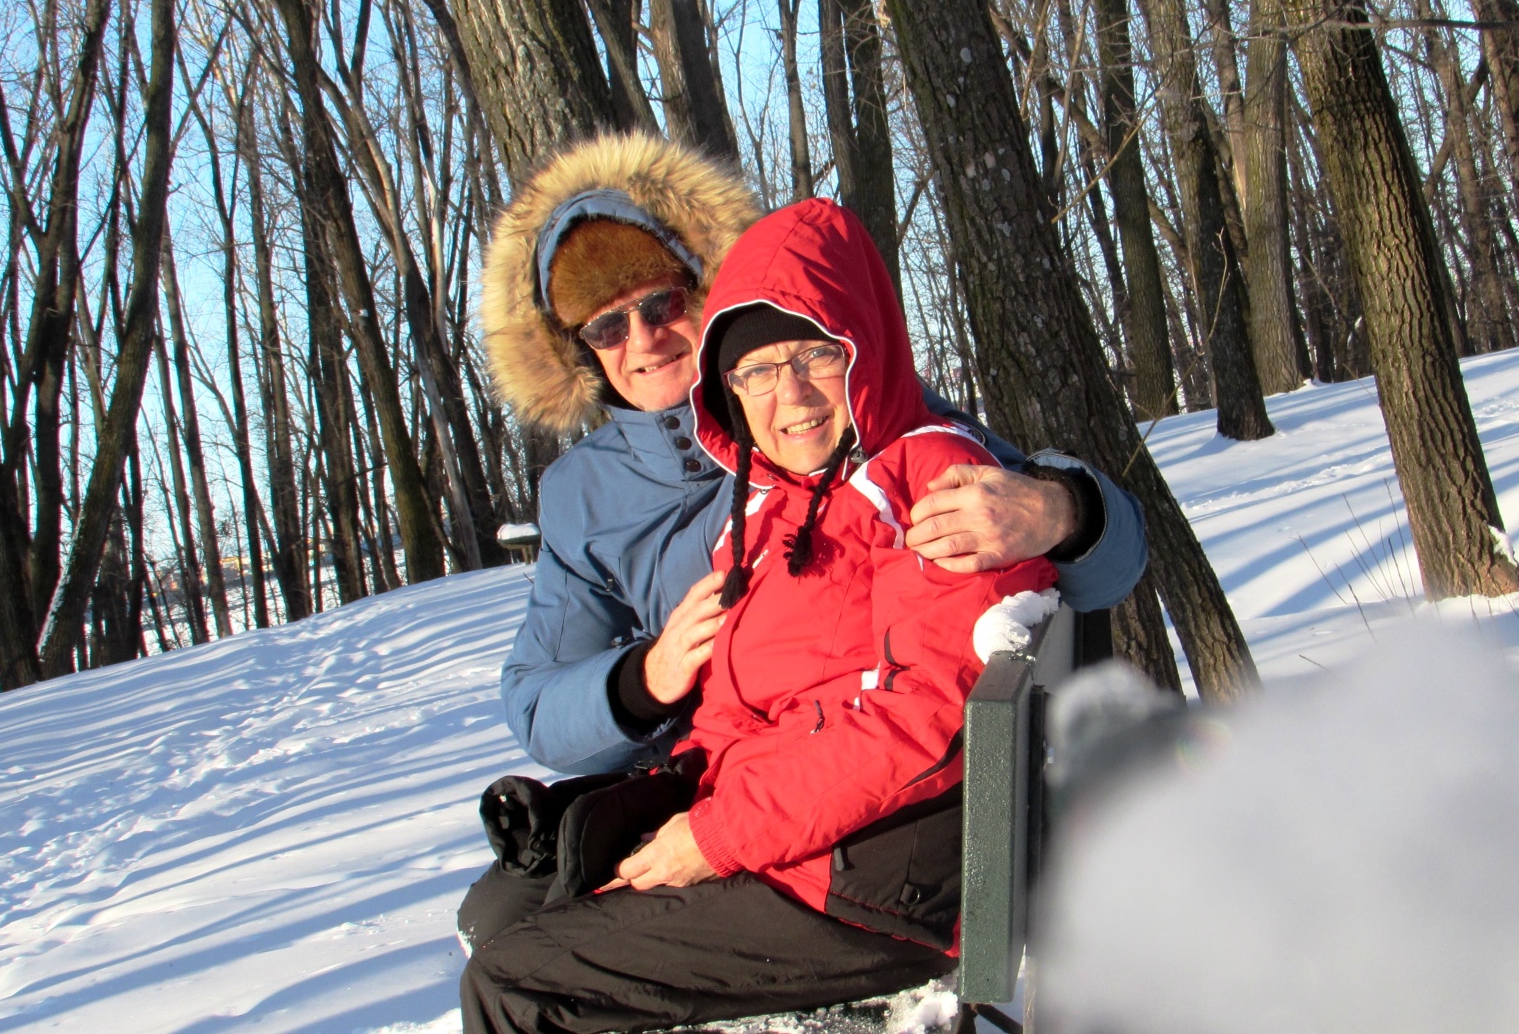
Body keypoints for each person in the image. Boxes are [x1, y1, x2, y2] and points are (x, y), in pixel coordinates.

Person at [461, 133, 1146, 945]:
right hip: (693, 770)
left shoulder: (827, 403)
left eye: (662, 303)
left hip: (817, 789)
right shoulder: (581, 495)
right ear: (578, 351)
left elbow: (1051, 534)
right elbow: (536, 699)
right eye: (607, 326)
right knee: (498, 917)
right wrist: (645, 679)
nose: (641, 340)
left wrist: (1061, 509)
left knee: (536, 957)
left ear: (705, 292)